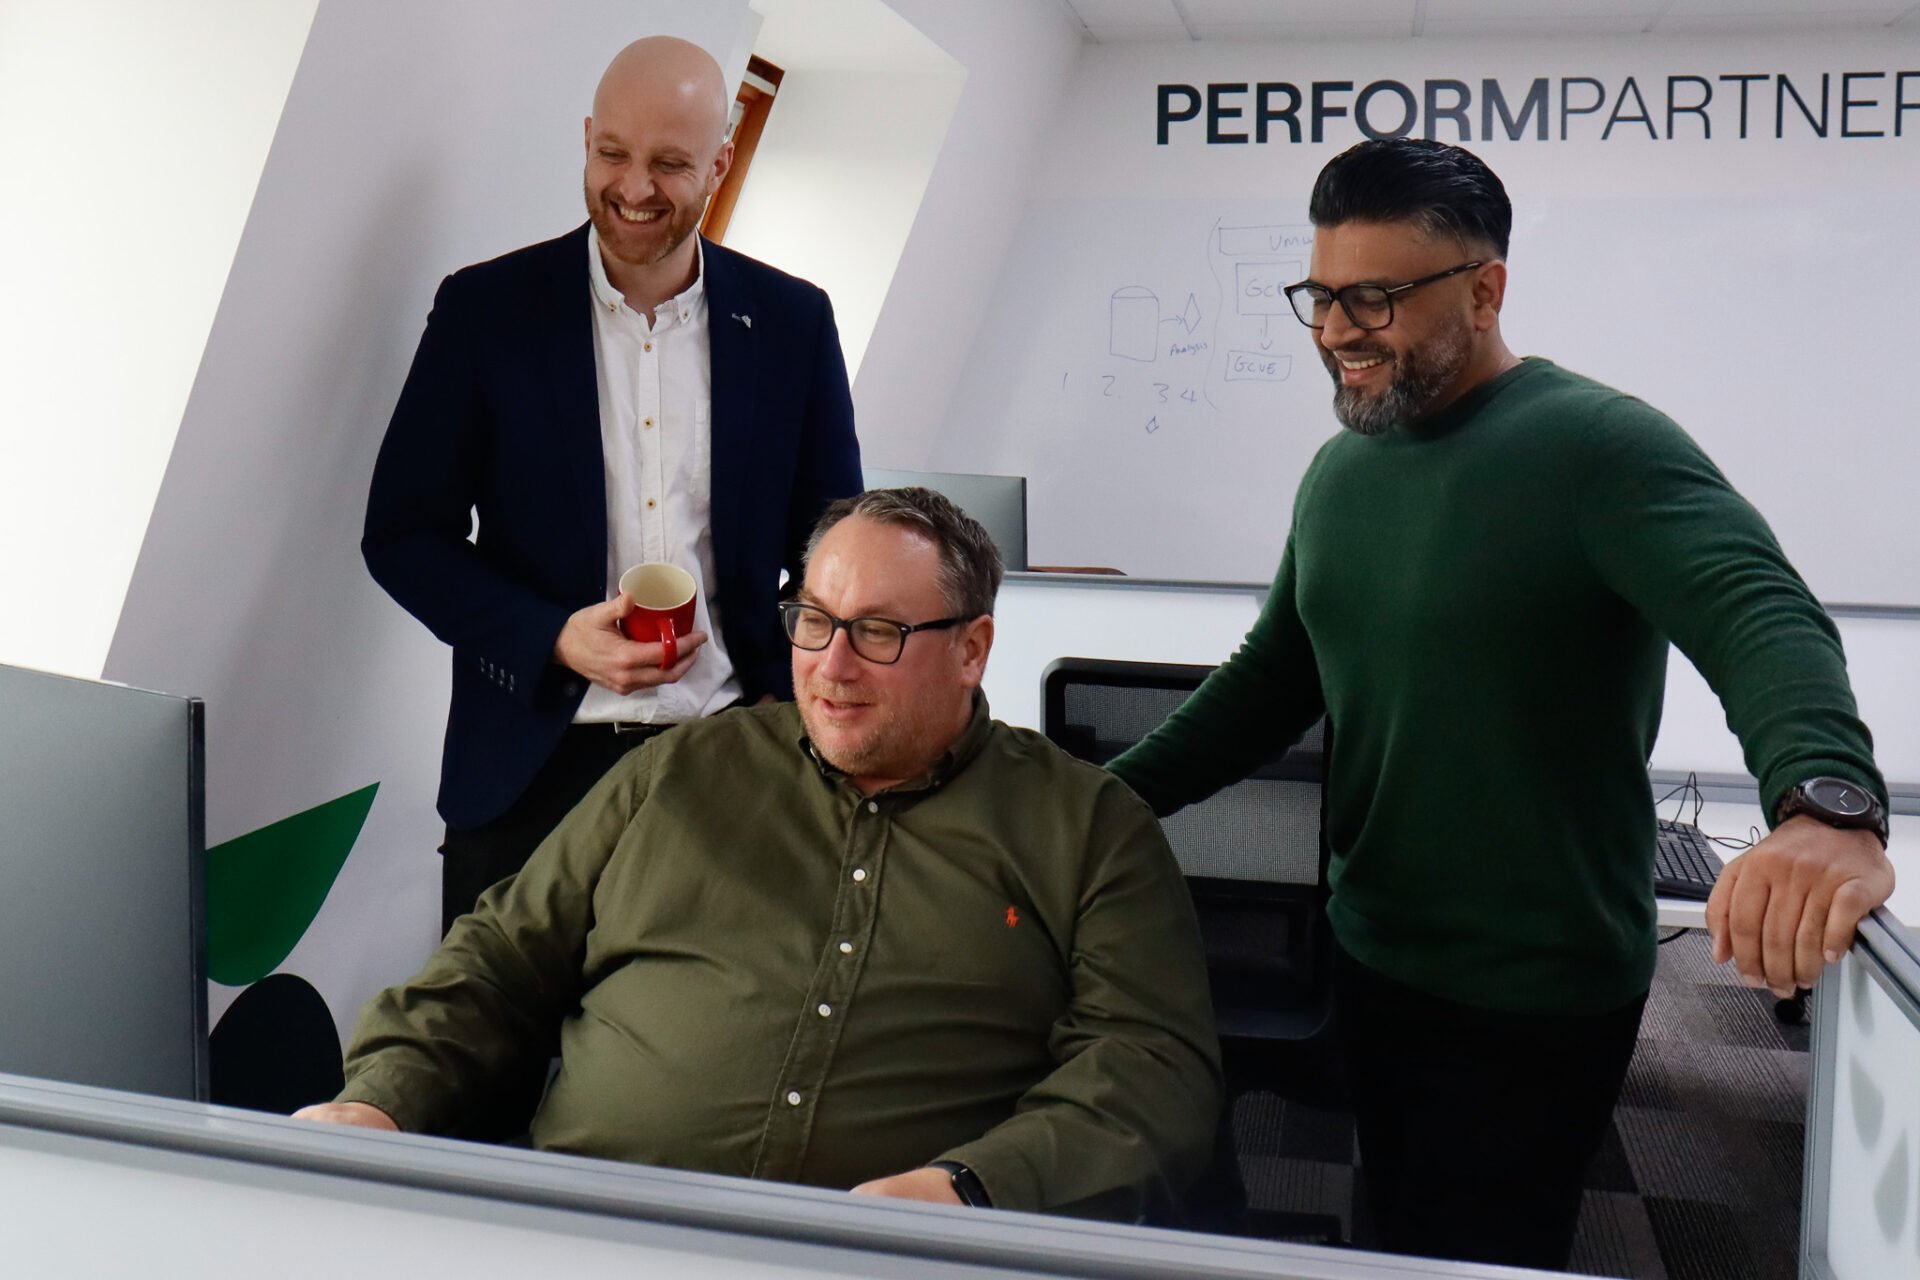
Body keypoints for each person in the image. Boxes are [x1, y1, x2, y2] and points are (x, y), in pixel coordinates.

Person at [1107, 138, 1893, 1270]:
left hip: (1535, 992)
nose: (1337, 329)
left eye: (1374, 297)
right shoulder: (1343, 469)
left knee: (1489, 1247)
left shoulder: (1596, 445)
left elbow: (1759, 610)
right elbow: (1271, 681)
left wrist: (1824, 802)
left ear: (1485, 289)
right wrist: (1091, 800)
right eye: (1321, 296)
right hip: (1372, 948)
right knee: (1398, 1219)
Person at [300, 488, 1223, 1221]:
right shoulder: (684, 769)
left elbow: (1153, 1069)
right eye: (813, 621)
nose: (830, 664)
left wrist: (972, 1188)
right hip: (598, 1235)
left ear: (973, 649)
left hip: (882, 1259)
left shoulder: (1090, 829)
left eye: (878, 632)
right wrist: (382, 1099)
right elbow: (498, 961)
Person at [362, 36, 861, 935]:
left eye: (670, 164)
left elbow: (836, 551)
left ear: (721, 161)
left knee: (707, 1066)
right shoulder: (485, 311)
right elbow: (403, 534)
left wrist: (791, 700)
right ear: (586, 137)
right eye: (612, 154)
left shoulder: (793, 322)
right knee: (485, 1068)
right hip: (524, 774)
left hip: (732, 763)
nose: (633, 189)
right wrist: (551, 638)